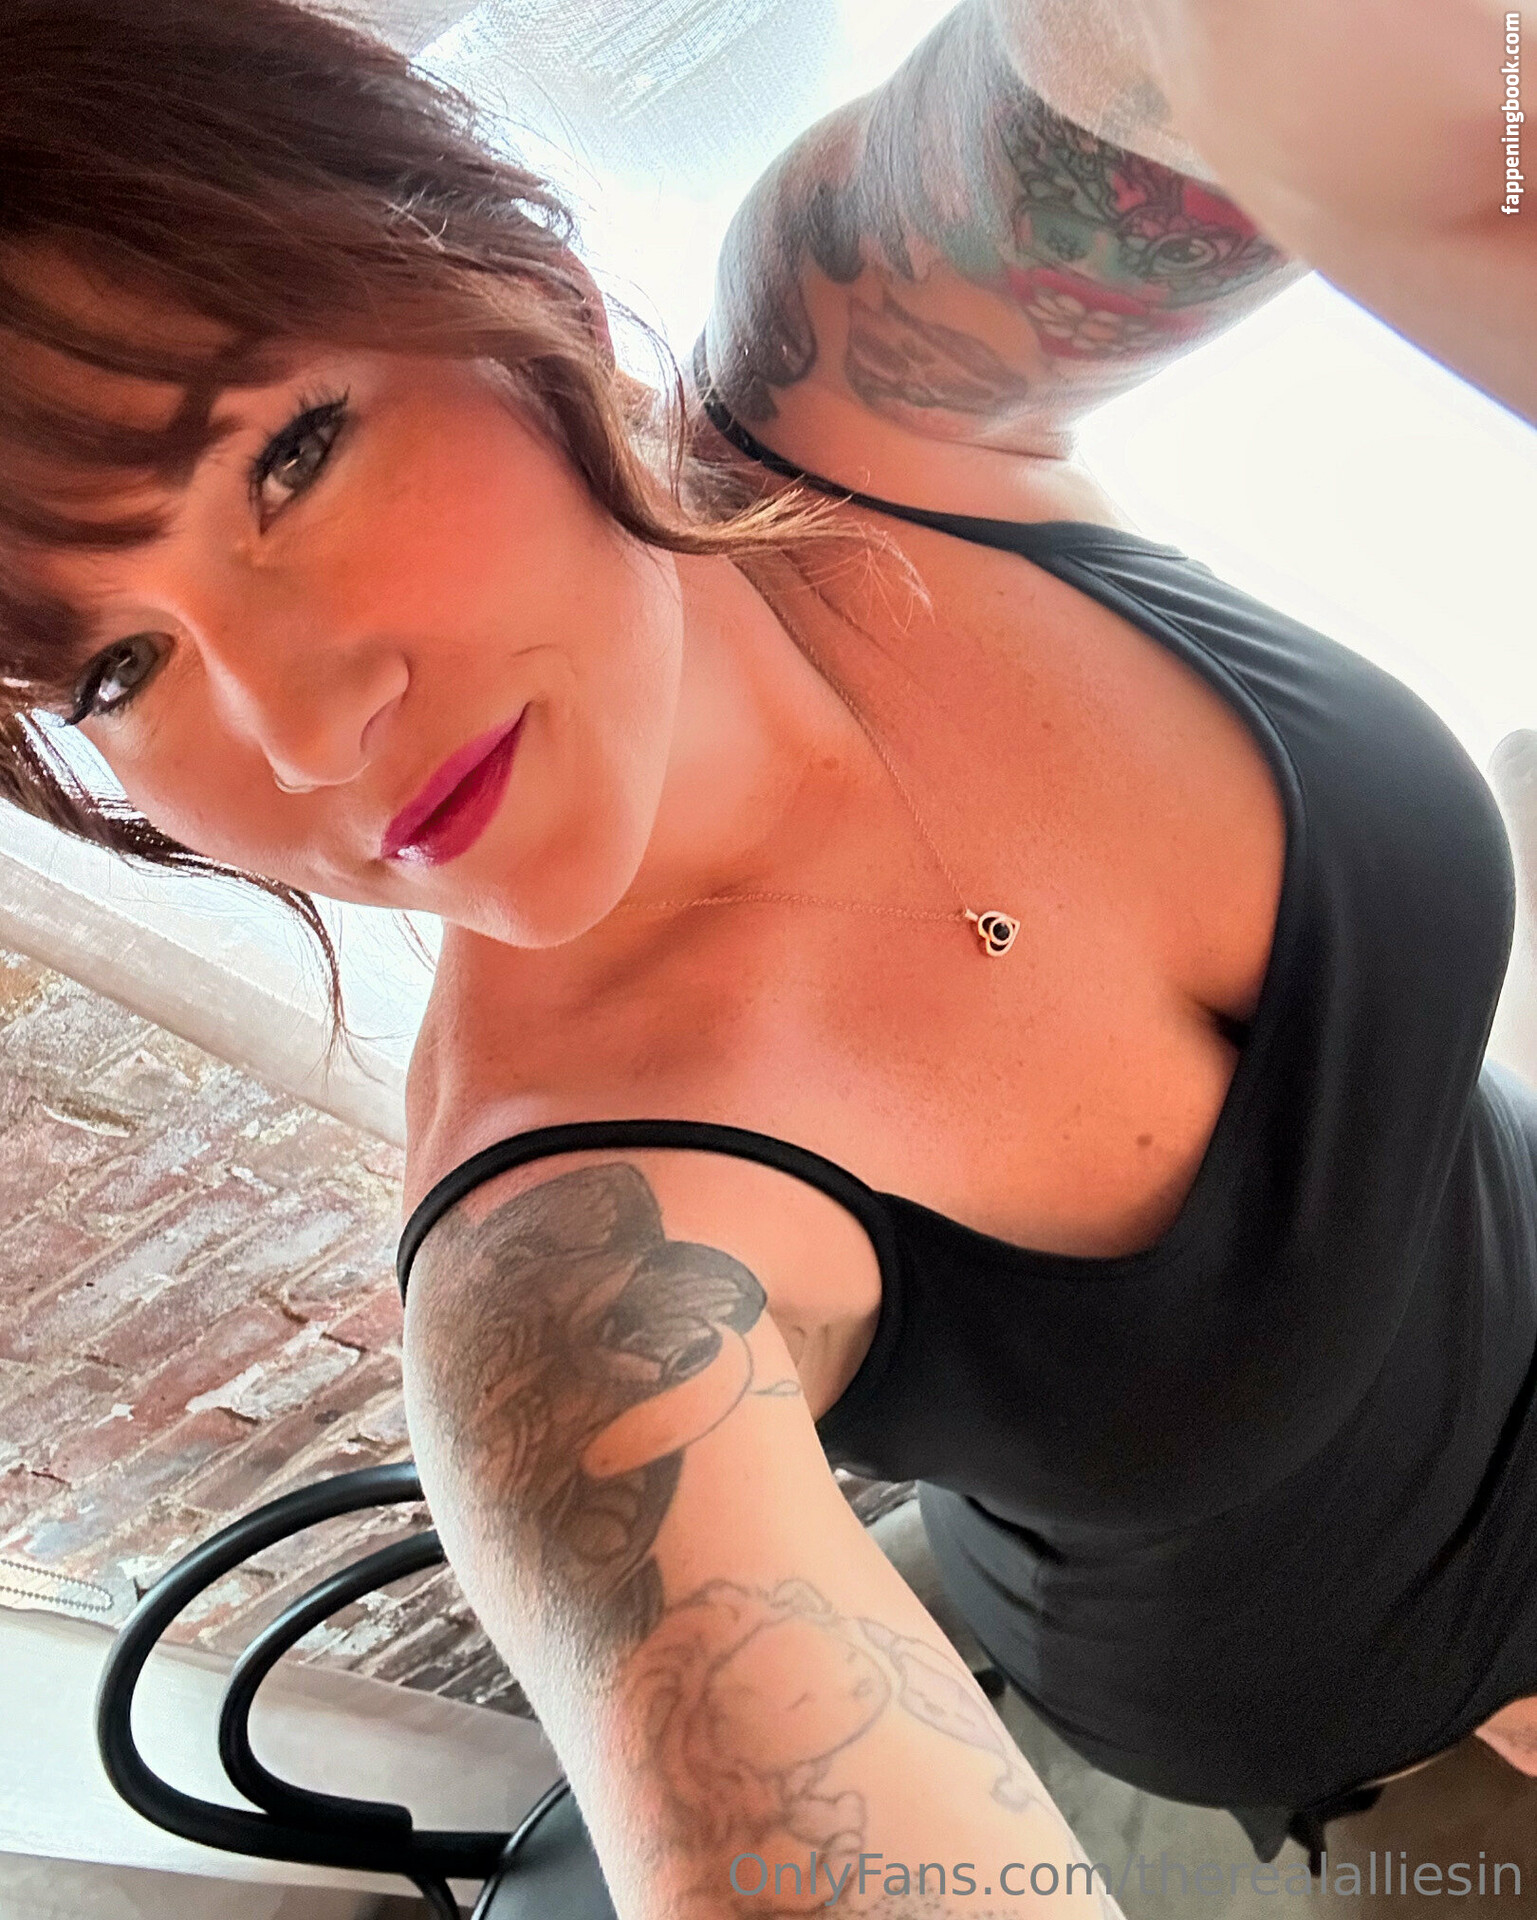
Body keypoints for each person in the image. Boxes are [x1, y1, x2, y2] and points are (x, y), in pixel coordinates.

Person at [1, 1, 1532, 1913]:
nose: (302, 737)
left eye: (285, 461)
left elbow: (1220, 36)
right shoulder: (562, 1280)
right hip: (1382, 1682)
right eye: (116, 672)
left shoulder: (868, 383)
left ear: (509, 283)